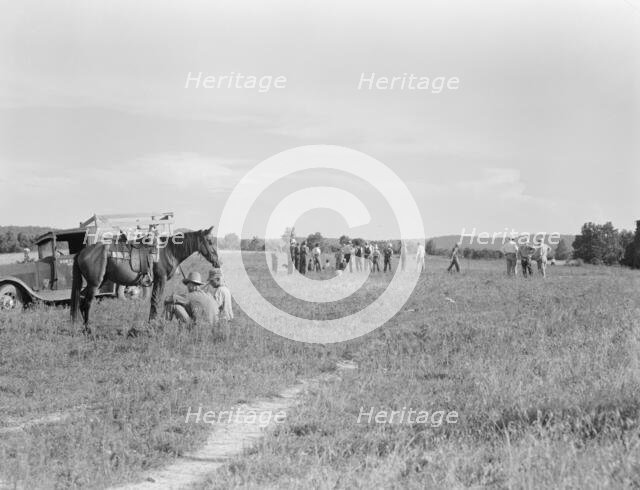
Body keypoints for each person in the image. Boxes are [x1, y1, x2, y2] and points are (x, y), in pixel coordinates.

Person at [205, 268, 234, 339]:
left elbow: (214, 307)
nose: (210, 283)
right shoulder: (226, 289)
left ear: (218, 279)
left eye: (212, 281)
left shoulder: (219, 291)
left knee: (218, 339)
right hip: (228, 319)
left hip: (222, 320)